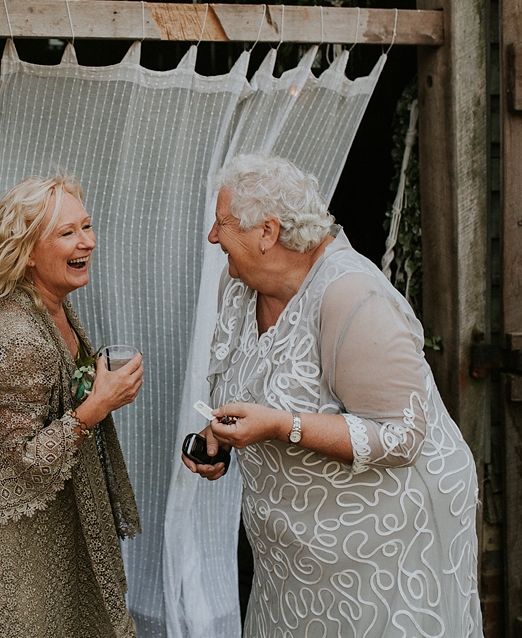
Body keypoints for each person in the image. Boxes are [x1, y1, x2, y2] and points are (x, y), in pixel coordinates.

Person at [184, 154, 481, 638]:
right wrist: (220, 434)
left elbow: (403, 436)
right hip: (295, 550)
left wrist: (281, 426)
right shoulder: (238, 285)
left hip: (385, 539)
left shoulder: (352, 295)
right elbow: (253, 388)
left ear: (267, 232)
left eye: (222, 224)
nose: (213, 238)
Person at [0, 175, 144, 638]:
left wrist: (92, 387)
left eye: (87, 226)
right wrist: (97, 405)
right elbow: (25, 462)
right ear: (27, 251)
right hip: (9, 545)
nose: (88, 242)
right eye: (68, 232)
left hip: (46, 530)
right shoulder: (16, 338)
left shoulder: (52, 307)